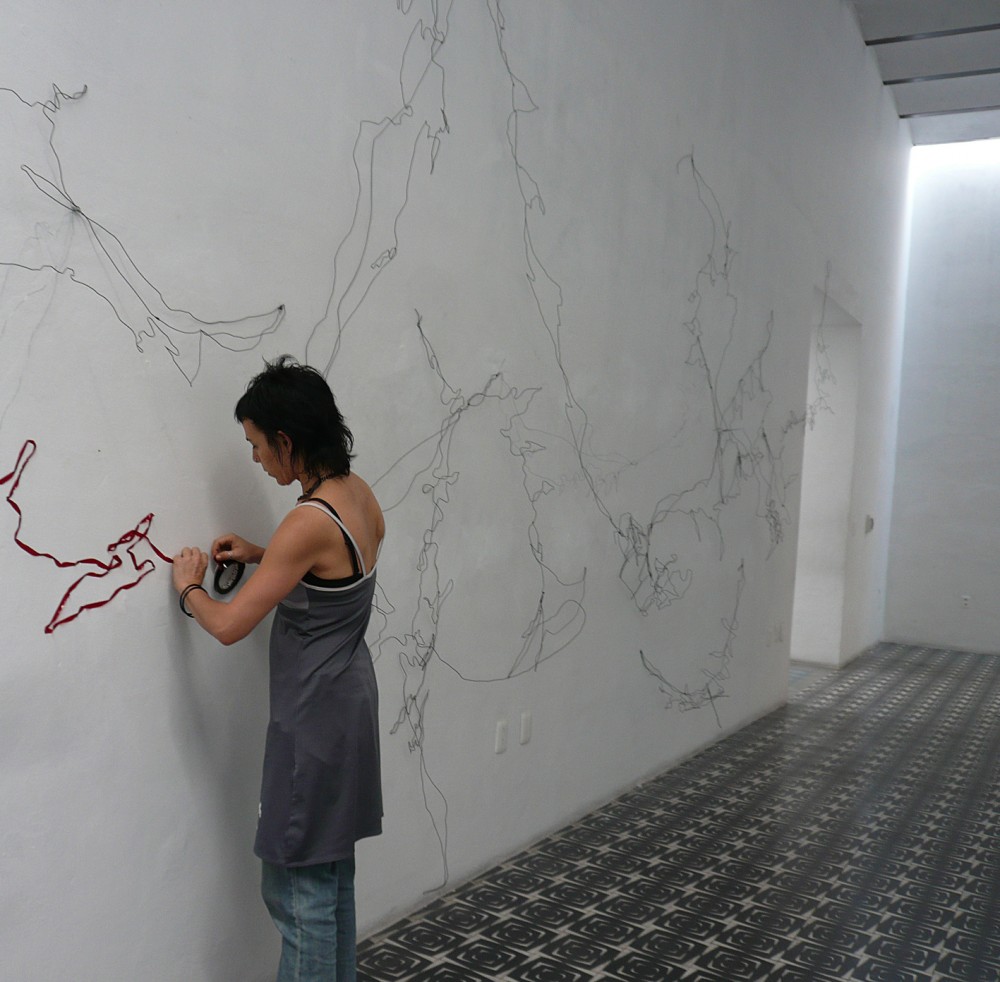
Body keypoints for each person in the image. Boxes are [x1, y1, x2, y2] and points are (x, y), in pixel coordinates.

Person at [171, 355, 384, 982]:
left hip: (312, 722)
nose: (257, 459)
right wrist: (266, 555)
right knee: (330, 877)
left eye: (258, 445)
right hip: (350, 705)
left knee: (296, 892)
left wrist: (189, 588)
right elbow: (330, 569)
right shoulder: (357, 494)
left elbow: (229, 625)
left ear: (286, 442)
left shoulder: (305, 522)